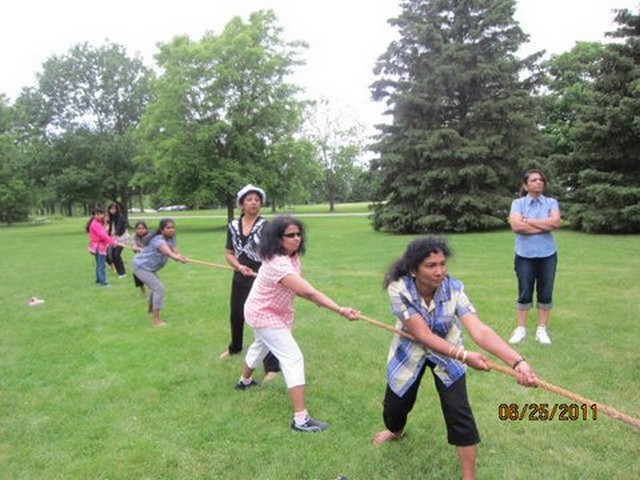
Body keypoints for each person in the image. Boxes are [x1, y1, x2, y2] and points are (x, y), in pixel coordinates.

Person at [372, 237, 538, 480]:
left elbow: (479, 330)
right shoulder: (399, 288)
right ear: (413, 269)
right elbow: (423, 335)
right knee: (395, 408)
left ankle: (469, 477)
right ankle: (395, 430)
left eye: (442, 264)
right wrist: (465, 355)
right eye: (431, 265)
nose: (439, 271)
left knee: (459, 412)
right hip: (411, 350)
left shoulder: (454, 289)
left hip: (449, 352)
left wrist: (517, 361)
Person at [234, 215, 360, 433]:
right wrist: (340, 309)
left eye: (298, 234)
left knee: (260, 346)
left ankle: (244, 381)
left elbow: (298, 288)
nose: (296, 239)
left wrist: (313, 298)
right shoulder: (278, 262)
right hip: (263, 313)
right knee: (292, 357)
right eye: (290, 235)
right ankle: (300, 420)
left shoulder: (291, 257)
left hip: (274, 311)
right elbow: (308, 291)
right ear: (277, 239)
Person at [220, 184, 280, 380]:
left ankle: (272, 366)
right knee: (236, 314)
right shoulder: (232, 226)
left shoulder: (267, 226)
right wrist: (238, 266)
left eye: (257, 200)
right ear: (241, 204)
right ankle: (235, 347)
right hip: (240, 276)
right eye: (249, 199)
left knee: (264, 320)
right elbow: (229, 253)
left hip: (262, 278)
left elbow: (274, 254)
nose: (254, 203)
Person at [507, 169, 561, 345]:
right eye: (534, 180)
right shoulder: (518, 203)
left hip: (548, 254)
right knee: (524, 291)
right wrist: (544, 225)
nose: (538, 182)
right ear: (525, 185)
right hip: (524, 255)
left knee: (545, 291)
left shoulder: (551, 202)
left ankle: (541, 329)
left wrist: (528, 221)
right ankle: (520, 329)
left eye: (541, 180)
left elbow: (555, 223)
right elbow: (517, 227)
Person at [132, 218, 187, 327]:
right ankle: (156, 320)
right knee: (158, 288)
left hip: (149, 268)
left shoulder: (171, 238)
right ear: (162, 230)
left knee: (156, 288)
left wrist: (180, 256)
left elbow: (174, 250)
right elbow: (168, 252)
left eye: (173, 227)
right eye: (168, 228)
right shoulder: (158, 240)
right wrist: (176, 257)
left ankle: (151, 310)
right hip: (141, 267)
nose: (171, 230)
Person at [86, 207, 119, 287]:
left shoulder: (97, 223)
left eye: (101, 214)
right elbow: (103, 235)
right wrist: (112, 241)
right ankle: (103, 282)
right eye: (98, 214)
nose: (100, 216)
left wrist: (111, 240)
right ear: (94, 215)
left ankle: (98, 281)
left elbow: (103, 234)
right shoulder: (96, 224)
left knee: (99, 264)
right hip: (99, 247)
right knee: (101, 265)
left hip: (98, 246)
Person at [106, 202, 129, 278]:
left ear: (117, 209)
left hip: (121, 238)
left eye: (114, 209)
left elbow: (118, 228)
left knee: (116, 254)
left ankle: (122, 273)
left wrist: (114, 238)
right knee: (112, 255)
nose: (112, 210)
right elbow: (109, 228)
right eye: (111, 209)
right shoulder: (111, 217)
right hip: (113, 238)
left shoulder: (120, 217)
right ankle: (120, 272)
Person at [131, 221, 153, 295]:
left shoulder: (150, 236)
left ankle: (152, 289)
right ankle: (142, 290)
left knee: (149, 274)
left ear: (146, 229)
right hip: (139, 258)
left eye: (143, 228)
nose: (141, 230)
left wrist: (142, 249)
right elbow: (134, 249)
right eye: (139, 228)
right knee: (136, 272)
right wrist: (134, 248)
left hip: (150, 258)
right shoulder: (134, 236)